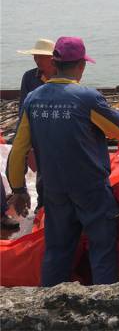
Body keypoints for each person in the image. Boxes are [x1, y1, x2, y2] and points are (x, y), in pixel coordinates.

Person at [7, 36, 119, 286]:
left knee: (57, 252)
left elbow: (18, 149)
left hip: (54, 188)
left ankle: (49, 307)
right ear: (81, 66)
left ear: (54, 63)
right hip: (91, 189)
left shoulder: (33, 99)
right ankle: (103, 309)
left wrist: (19, 189)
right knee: (102, 251)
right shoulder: (86, 98)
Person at [17, 38, 57, 212]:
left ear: (52, 59)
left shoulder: (61, 76)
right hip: (38, 131)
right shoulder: (29, 77)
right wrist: (23, 132)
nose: (37, 60)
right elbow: (23, 107)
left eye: (41, 56)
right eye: (36, 56)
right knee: (42, 169)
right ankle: (42, 203)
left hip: (59, 130)